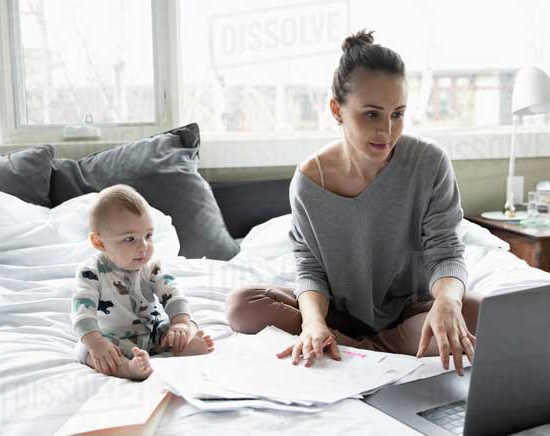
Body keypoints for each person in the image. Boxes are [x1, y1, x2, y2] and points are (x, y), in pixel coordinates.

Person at [226, 30, 481, 376]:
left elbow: (446, 252)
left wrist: (448, 301)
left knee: (487, 313)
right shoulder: (309, 180)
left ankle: (352, 354)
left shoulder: (430, 163)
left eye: (398, 114)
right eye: (371, 114)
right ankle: (367, 350)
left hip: (410, 310)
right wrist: (312, 324)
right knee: (243, 306)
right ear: (337, 110)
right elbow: (310, 268)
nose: (387, 132)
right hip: (337, 312)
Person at [71, 184, 213, 380]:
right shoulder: (91, 272)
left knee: (186, 325)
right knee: (84, 350)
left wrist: (180, 323)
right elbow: (81, 310)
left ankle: (180, 348)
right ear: (100, 242)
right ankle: (128, 368)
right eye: (130, 239)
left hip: (154, 334)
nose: (143, 247)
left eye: (148, 236)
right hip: (113, 342)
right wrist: (96, 342)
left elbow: (172, 291)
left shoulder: (151, 266)